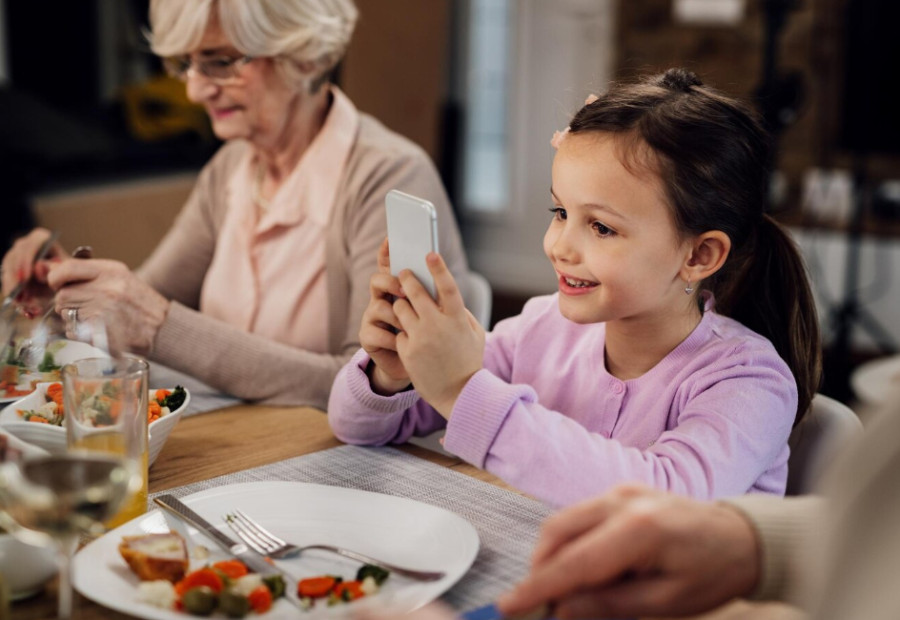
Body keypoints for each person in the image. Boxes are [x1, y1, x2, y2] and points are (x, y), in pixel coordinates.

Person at [327, 68, 821, 507]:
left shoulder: (749, 381)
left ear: (699, 256)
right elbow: (358, 428)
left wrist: (461, 389)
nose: (560, 245)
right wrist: (393, 376)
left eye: (601, 227)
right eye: (560, 212)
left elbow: (665, 500)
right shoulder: (540, 329)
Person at [0, 0, 467, 408]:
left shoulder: (389, 177)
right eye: (185, 63)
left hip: (347, 469)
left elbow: (374, 388)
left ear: (302, 54)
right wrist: (68, 296)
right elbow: (137, 307)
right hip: (240, 447)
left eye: (220, 62)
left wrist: (157, 324)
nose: (194, 90)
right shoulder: (230, 169)